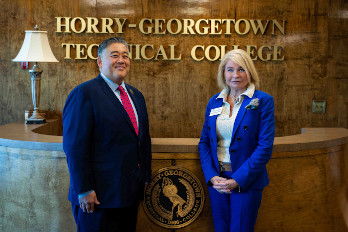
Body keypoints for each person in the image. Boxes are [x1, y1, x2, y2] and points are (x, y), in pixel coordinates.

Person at [63, 37, 152, 232]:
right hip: (97, 198)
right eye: (115, 55)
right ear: (100, 61)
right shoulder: (84, 93)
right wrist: (84, 189)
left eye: (125, 56)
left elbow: (143, 141)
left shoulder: (135, 95)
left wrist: (145, 178)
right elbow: (75, 147)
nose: (121, 60)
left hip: (128, 195)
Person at [198, 49, 275, 232]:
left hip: (246, 180)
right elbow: (204, 143)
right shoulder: (214, 102)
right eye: (230, 70)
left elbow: (264, 147)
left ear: (250, 72)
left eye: (241, 69)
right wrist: (211, 177)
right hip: (218, 181)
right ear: (223, 73)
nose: (236, 75)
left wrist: (238, 179)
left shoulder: (263, 101)